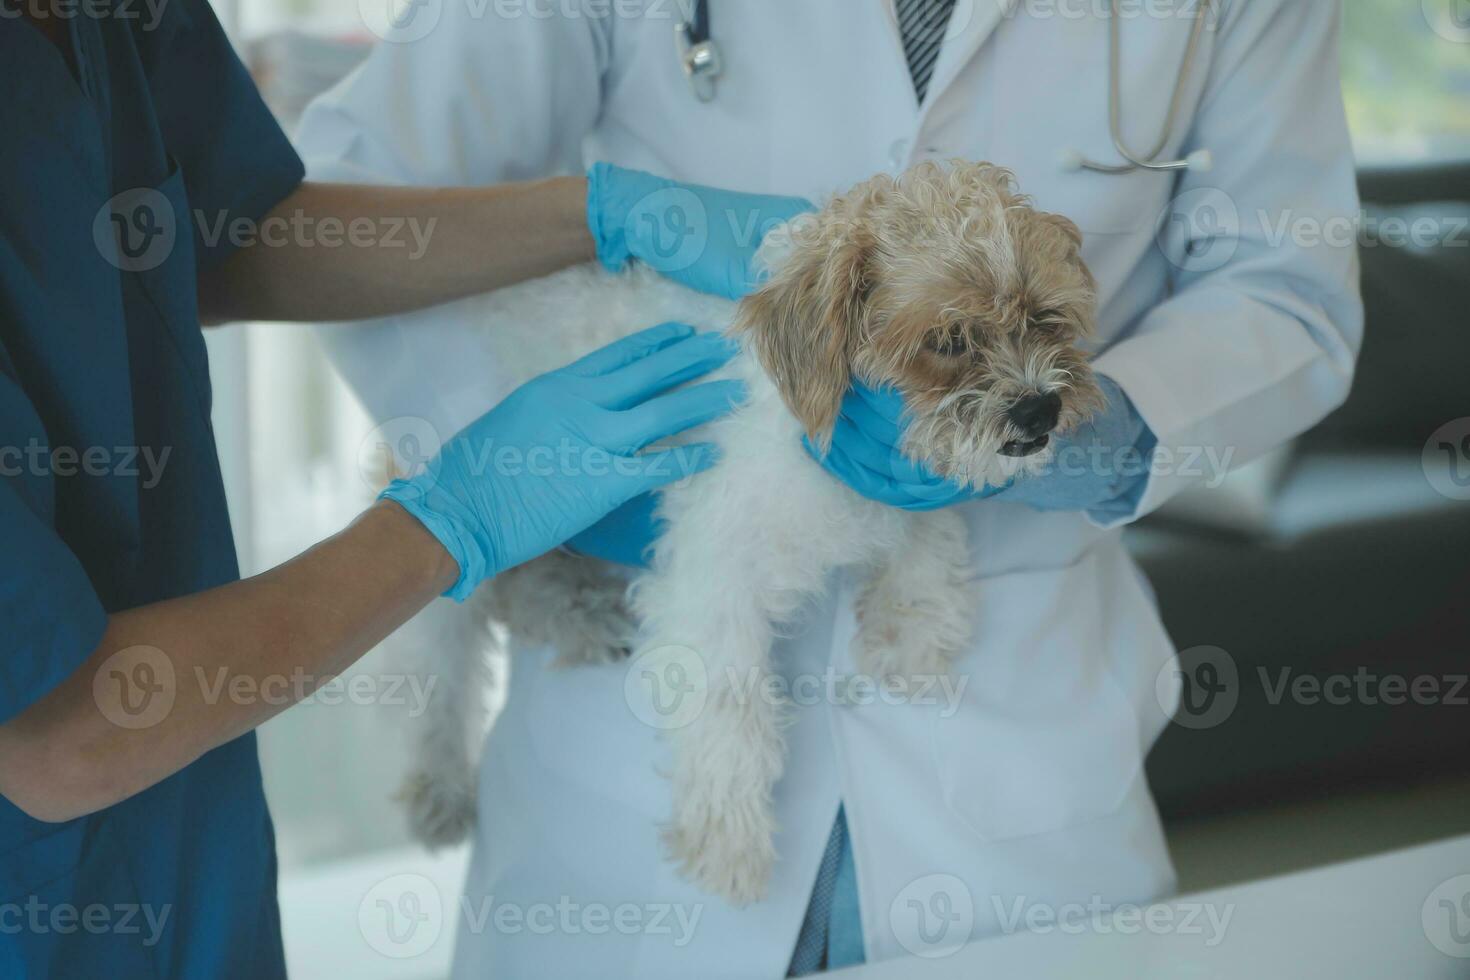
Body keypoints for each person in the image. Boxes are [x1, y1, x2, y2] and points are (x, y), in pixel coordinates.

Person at [296, 0, 1365, 976]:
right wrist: (512, 456)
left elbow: (1289, 287)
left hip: (1018, 764)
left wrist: (1118, 428)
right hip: (622, 802)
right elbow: (353, 194)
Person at [0, 3, 754, 977]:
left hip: (185, 847)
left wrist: (601, 214)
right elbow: (63, 730)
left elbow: (231, 237)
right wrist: (453, 516)